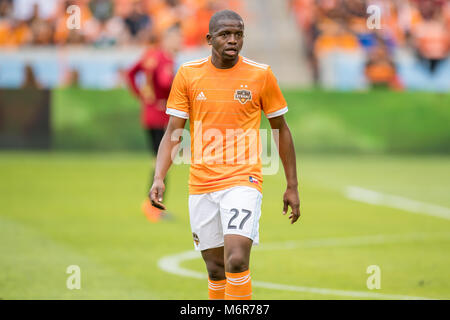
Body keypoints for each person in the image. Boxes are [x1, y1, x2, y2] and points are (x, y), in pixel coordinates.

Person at [149, 10, 301, 300]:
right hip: (202, 184)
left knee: (236, 260)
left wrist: (292, 185)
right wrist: (159, 176)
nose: (233, 40)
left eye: (238, 34)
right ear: (209, 39)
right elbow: (172, 133)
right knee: (216, 269)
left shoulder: (261, 75)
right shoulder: (188, 75)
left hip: (244, 180)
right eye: (225, 34)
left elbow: (281, 128)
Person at [126, 24, 181, 222]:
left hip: (150, 113)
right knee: (163, 161)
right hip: (160, 115)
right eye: (176, 38)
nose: (179, 42)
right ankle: (153, 206)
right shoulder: (165, 58)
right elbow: (166, 82)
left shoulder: (150, 55)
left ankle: (153, 205)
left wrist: (141, 95)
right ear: (167, 40)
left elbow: (131, 73)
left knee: (159, 160)